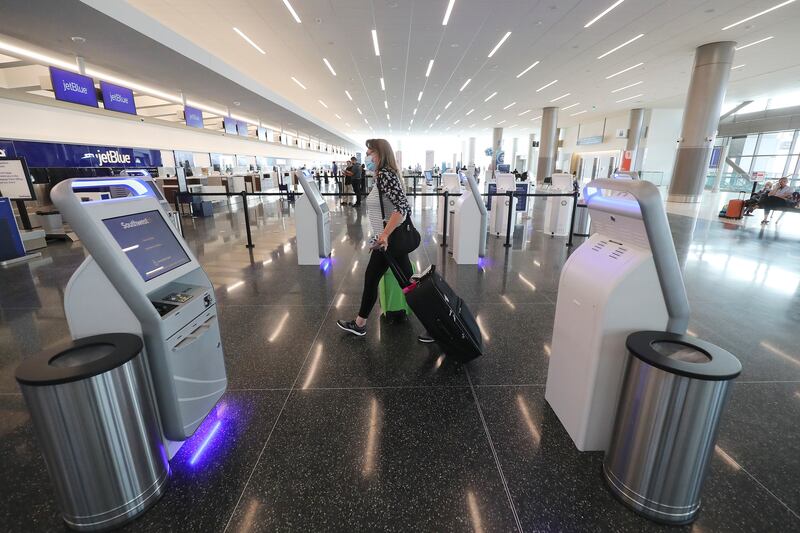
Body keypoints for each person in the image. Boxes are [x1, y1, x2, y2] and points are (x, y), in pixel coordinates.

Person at [337, 139, 433, 343]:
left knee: (398, 283)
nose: (368, 157)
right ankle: (360, 324)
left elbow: (401, 207)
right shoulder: (384, 174)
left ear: (380, 153)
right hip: (387, 241)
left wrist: (385, 235)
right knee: (402, 283)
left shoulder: (386, 175)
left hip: (390, 242)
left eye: (371, 153)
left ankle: (434, 325)